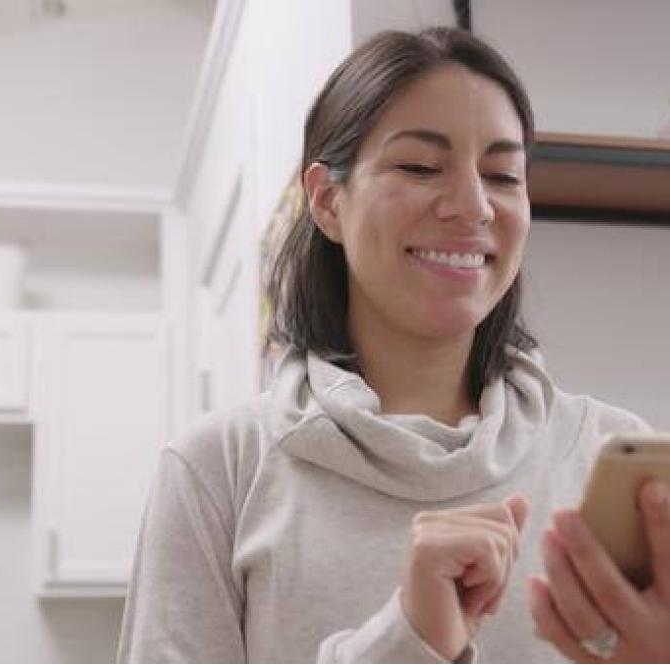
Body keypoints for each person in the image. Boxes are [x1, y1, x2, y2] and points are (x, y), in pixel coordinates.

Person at [117, 27, 670, 663]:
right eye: (419, 166)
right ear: (326, 200)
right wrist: (403, 641)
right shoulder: (218, 471)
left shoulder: (608, 454)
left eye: (502, 175)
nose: (472, 206)